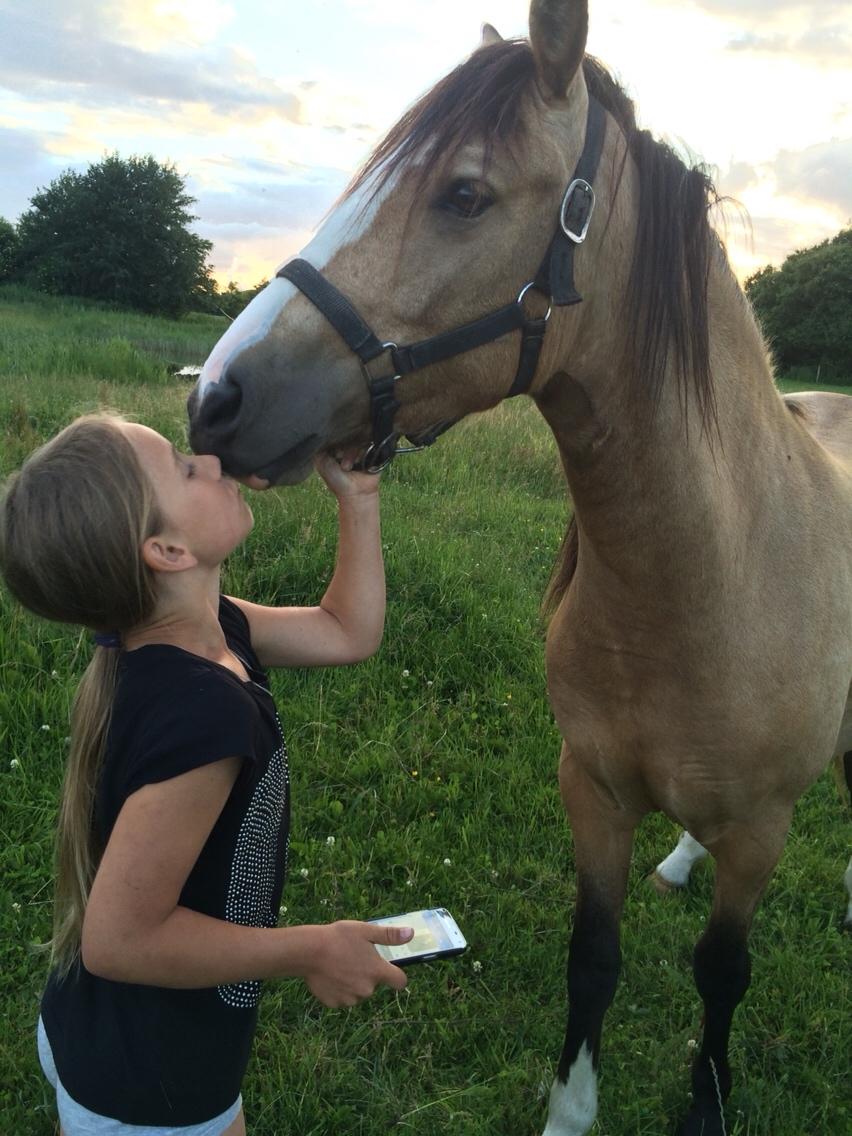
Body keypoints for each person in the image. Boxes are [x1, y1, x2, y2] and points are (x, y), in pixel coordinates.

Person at [0, 413, 414, 1136]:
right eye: (185, 468)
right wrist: (314, 947)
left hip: (116, 1039)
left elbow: (348, 631)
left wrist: (359, 498)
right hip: (148, 1081)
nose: (213, 462)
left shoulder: (214, 631)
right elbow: (120, 941)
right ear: (165, 549)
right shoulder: (202, 718)